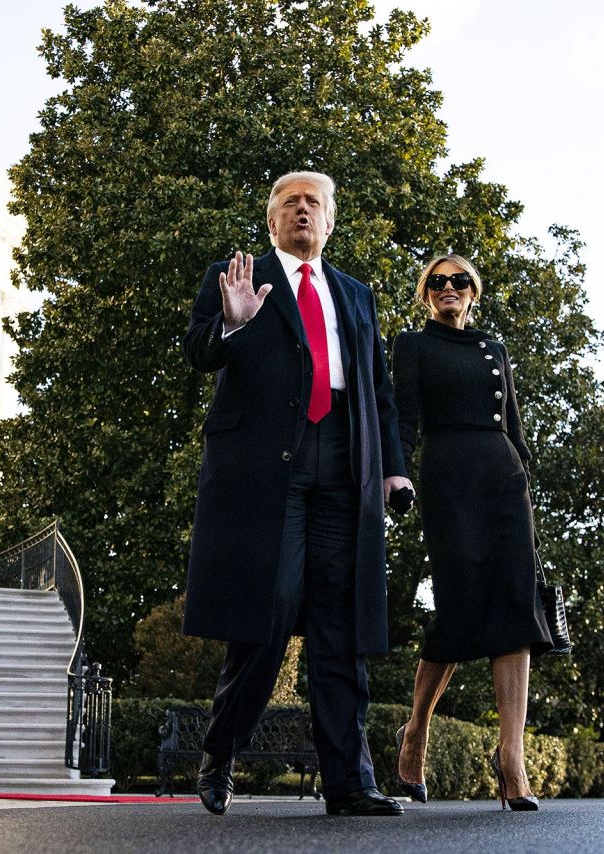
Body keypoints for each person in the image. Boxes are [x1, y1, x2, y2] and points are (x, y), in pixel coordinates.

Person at [183, 171, 413, 817]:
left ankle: (349, 782)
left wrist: (393, 468)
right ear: (272, 219)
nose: (303, 210)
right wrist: (232, 325)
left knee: (341, 629)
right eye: (291, 202)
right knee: (270, 614)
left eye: (314, 202)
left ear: (331, 221)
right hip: (267, 467)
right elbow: (199, 352)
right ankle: (220, 752)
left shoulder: (356, 295)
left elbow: (379, 392)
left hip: (345, 466)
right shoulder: (235, 274)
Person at [390, 254, 553, 812]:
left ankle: (512, 759)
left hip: (503, 479)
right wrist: (399, 475)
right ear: (426, 294)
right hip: (448, 478)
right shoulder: (412, 346)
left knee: (515, 605)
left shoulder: (494, 350)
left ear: (473, 291)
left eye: (458, 280)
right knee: (458, 607)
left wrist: (524, 481)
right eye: (437, 283)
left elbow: (515, 427)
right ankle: (415, 733)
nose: (448, 288)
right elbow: (403, 420)